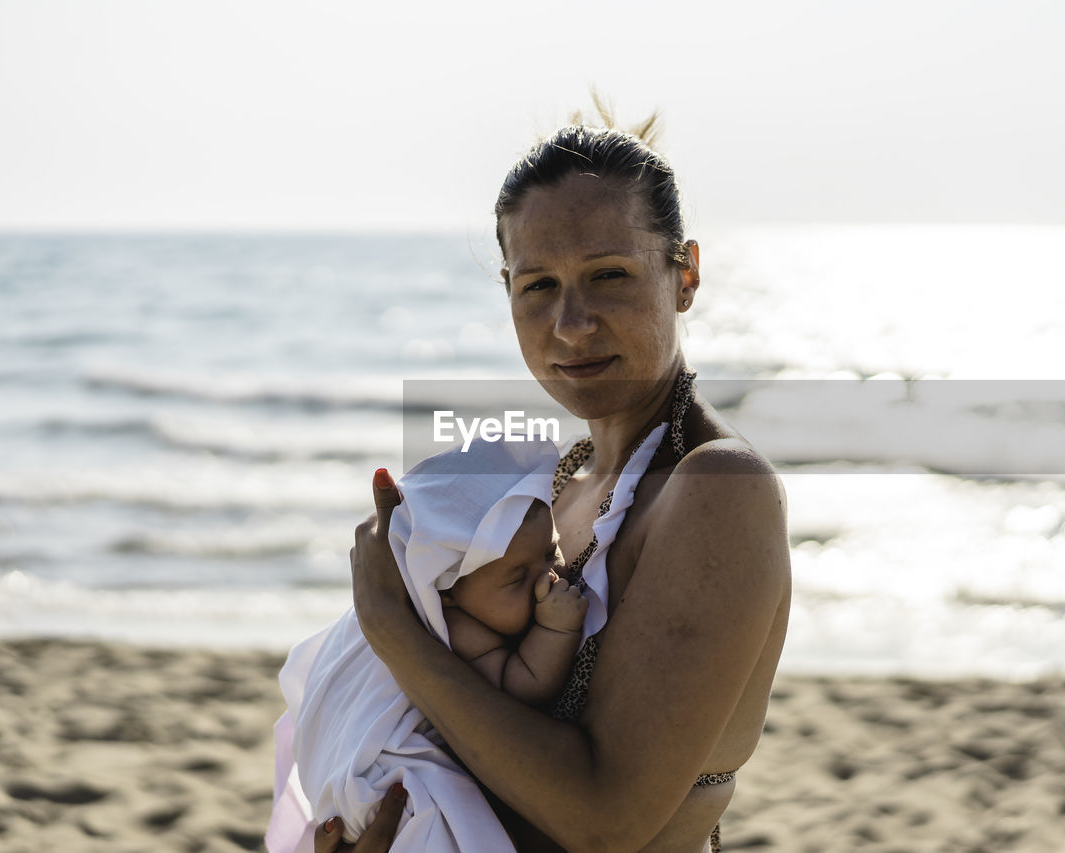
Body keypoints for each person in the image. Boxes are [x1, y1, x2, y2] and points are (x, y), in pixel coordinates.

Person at [330, 116, 793, 853]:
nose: (571, 325)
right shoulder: (549, 488)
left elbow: (605, 818)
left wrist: (392, 628)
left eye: (609, 274)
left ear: (686, 277)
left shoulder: (716, 487)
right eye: (538, 285)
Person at [269, 438, 587, 852]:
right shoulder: (458, 628)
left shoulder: (478, 601)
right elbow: (522, 685)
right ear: (448, 590)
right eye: (517, 577)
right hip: (384, 778)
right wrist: (557, 631)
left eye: (551, 550)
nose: (549, 577)